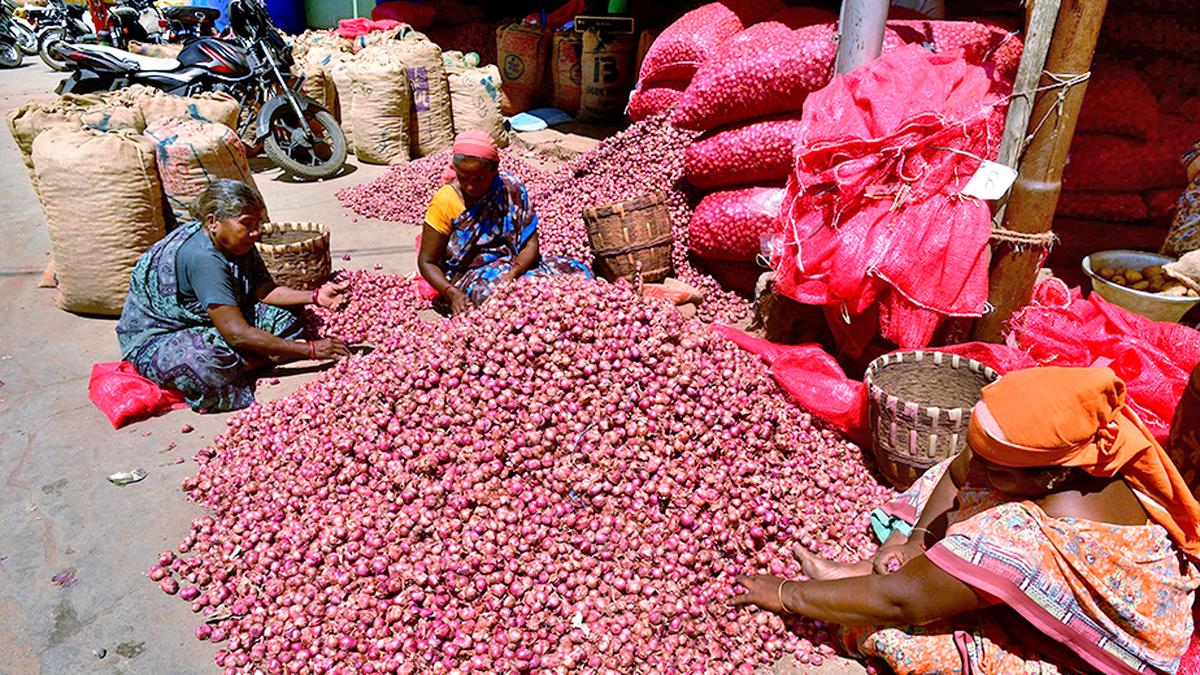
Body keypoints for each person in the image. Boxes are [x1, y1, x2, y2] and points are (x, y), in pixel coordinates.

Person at [732, 367, 1200, 674]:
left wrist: (785, 595)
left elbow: (903, 603)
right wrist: (913, 541)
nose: (978, 469)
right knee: (954, 481)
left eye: (997, 466)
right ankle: (916, 569)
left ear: (1056, 475)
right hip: (1032, 545)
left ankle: (921, 581)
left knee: (887, 633)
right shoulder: (1093, 445)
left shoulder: (1021, 536)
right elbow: (960, 469)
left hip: (1103, 656)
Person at [116, 179, 350, 413]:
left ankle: (251, 360)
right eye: (247, 224)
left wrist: (316, 296)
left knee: (287, 318)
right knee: (203, 363)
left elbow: (265, 291)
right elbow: (236, 334)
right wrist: (309, 351)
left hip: (211, 320)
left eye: (257, 223)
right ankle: (257, 361)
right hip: (161, 335)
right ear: (213, 222)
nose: (256, 232)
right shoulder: (204, 258)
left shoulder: (238, 243)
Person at [418, 129, 591, 315]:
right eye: (463, 176)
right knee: (499, 298)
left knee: (577, 273)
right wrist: (452, 293)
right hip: (468, 276)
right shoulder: (446, 200)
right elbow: (427, 261)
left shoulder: (510, 188)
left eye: (479, 178)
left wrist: (513, 274)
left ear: (495, 170)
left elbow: (531, 244)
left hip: (514, 265)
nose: (470, 185)